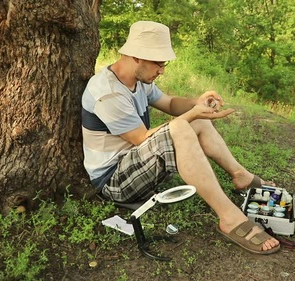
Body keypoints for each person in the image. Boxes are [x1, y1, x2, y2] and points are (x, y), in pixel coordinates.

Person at [81, 21, 280, 254]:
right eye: (159, 63)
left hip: (136, 165)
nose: (162, 70)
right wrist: (189, 116)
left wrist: (197, 104)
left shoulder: (138, 80)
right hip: (114, 180)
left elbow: (170, 103)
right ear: (136, 56)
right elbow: (141, 138)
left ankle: (241, 176)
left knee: (192, 120)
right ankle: (230, 218)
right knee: (181, 127)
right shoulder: (108, 92)